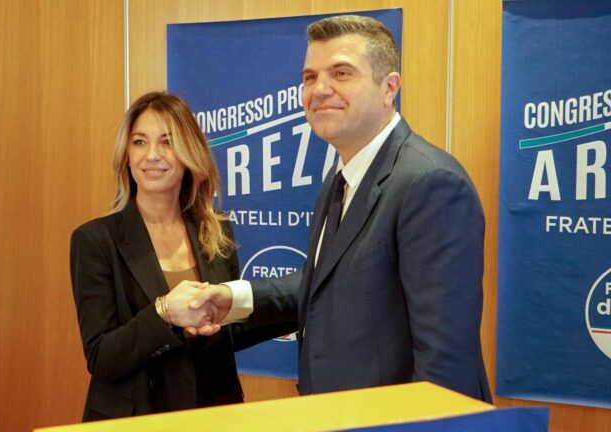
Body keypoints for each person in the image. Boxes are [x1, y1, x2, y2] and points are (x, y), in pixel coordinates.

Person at [184, 15, 492, 401]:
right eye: (310, 77)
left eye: (341, 73)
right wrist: (235, 298)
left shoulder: (430, 184)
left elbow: (444, 364)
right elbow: (329, 283)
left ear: (389, 88)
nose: (320, 89)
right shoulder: (340, 177)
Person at [70, 92, 293, 421]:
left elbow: (229, 328)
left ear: (190, 152)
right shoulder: (94, 240)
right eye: (140, 142)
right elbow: (102, 357)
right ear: (126, 155)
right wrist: (164, 314)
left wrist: (304, 302)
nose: (152, 155)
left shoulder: (215, 229)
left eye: (167, 142)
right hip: (137, 419)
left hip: (211, 412)